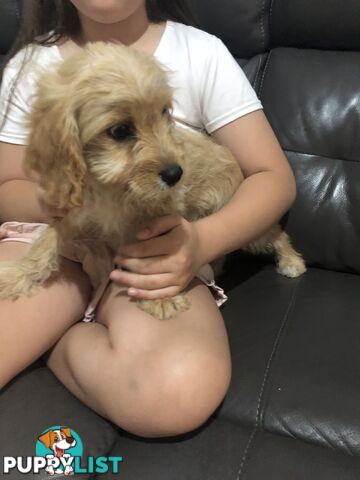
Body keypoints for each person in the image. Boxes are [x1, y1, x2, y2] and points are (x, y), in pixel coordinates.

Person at [0, 0, 296, 438]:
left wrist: (201, 242)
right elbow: (8, 190)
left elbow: (273, 178)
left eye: (164, 115)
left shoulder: (200, 52)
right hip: (54, 237)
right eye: (121, 130)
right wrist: (73, 200)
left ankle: (51, 339)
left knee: (177, 390)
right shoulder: (32, 66)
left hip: (153, 249)